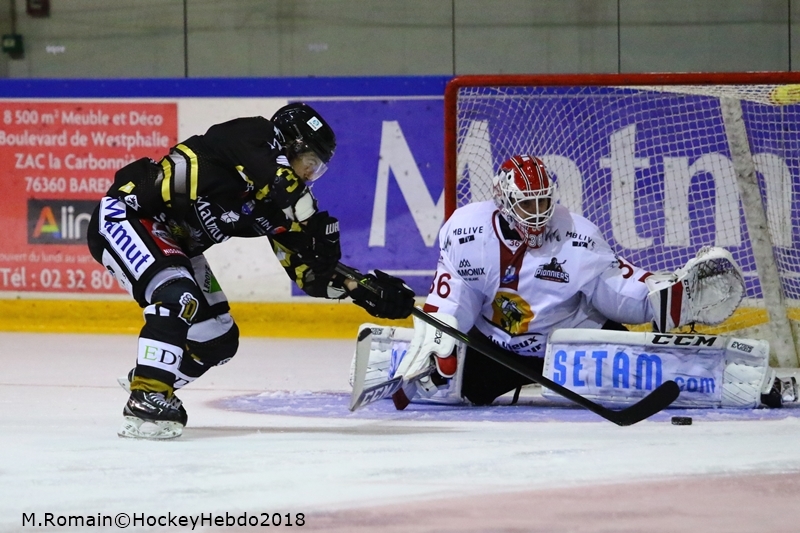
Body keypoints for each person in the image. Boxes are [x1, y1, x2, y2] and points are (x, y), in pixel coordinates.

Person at [350, 154, 797, 411]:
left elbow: (614, 289)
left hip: (569, 342)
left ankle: (750, 382)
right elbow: (455, 297)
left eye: (544, 200)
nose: (539, 212)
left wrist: (665, 298)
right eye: (528, 204)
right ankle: (410, 359)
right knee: (449, 390)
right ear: (504, 203)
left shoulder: (577, 234)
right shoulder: (466, 231)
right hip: (495, 346)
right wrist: (441, 338)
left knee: (651, 370)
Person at [87, 103, 415, 439]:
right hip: (128, 216)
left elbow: (309, 274)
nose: (309, 175)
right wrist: (311, 220)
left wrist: (361, 289)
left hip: (175, 244)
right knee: (177, 296)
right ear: (289, 145)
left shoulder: (280, 205)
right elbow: (278, 181)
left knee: (217, 339)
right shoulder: (252, 134)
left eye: (317, 170)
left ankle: (152, 372)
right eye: (309, 163)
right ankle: (147, 394)